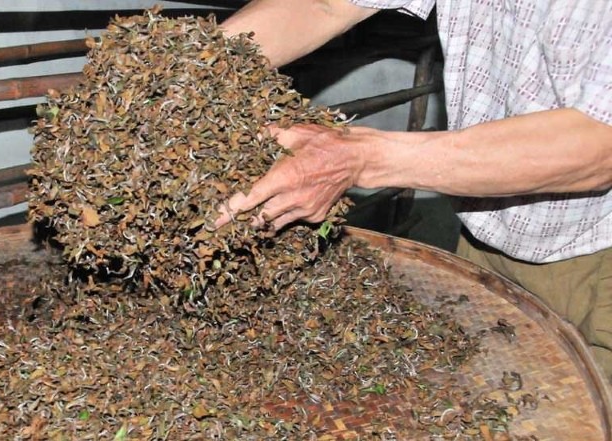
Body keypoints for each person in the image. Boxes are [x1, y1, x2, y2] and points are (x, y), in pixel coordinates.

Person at [214, 0, 612, 381]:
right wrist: (194, 63)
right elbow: (325, 4)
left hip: (600, 257)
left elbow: (599, 149)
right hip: (489, 222)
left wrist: (360, 158)